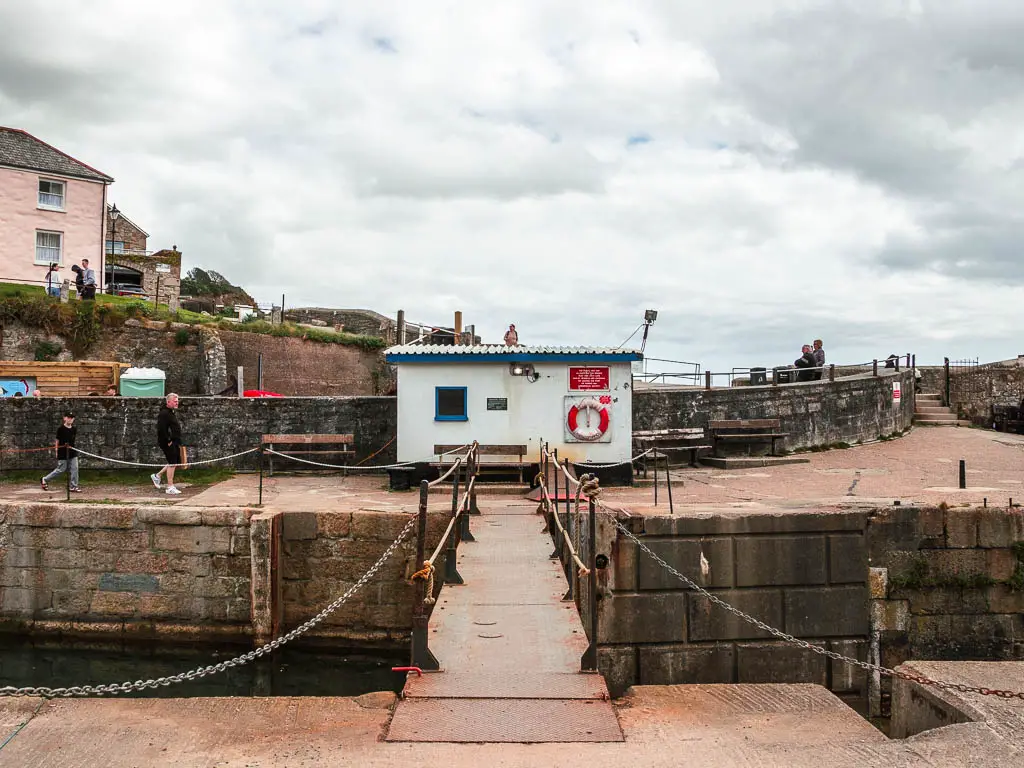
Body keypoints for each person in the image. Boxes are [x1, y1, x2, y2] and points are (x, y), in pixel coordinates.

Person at [151, 393, 184, 495]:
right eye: (175, 401)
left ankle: (157, 476)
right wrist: (168, 440)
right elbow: (161, 429)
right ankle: (170, 486)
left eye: (177, 401)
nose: (177, 402)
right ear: (168, 402)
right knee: (172, 463)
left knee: (174, 461)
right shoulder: (164, 413)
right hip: (168, 442)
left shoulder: (170, 412)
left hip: (174, 441)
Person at [40, 411, 80, 493]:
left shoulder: (74, 429)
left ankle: (73, 486)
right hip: (62, 452)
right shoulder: (61, 429)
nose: (70, 419)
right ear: (64, 418)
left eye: (72, 418)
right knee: (61, 469)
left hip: (72, 451)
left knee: (75, 468)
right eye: (68, 417)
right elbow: (57, 440)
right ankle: (45, 479)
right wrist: (56, 450)